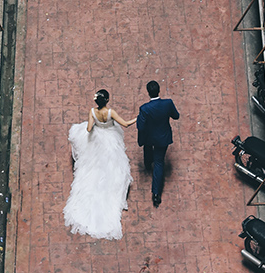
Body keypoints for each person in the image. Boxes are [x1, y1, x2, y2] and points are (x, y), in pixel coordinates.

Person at [63, 88, 136, 239]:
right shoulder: (111, 113)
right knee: (113, 163)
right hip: (111, 139)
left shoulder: (92, 112)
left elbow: (89, 128)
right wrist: (138, 118)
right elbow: (126, 124)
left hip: (98, 138)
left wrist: (94, 125)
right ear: (107, 100)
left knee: (94, 164)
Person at [136, 80, 180, 207]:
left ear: (148, 92)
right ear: (159, 90)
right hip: (162, 137)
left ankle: (147, 163)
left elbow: (141, 126)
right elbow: (176, 116)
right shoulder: (168, 103)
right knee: (159, 162)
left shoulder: (144, 109)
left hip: (149, 137)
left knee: (148, 150)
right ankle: (156, 194)